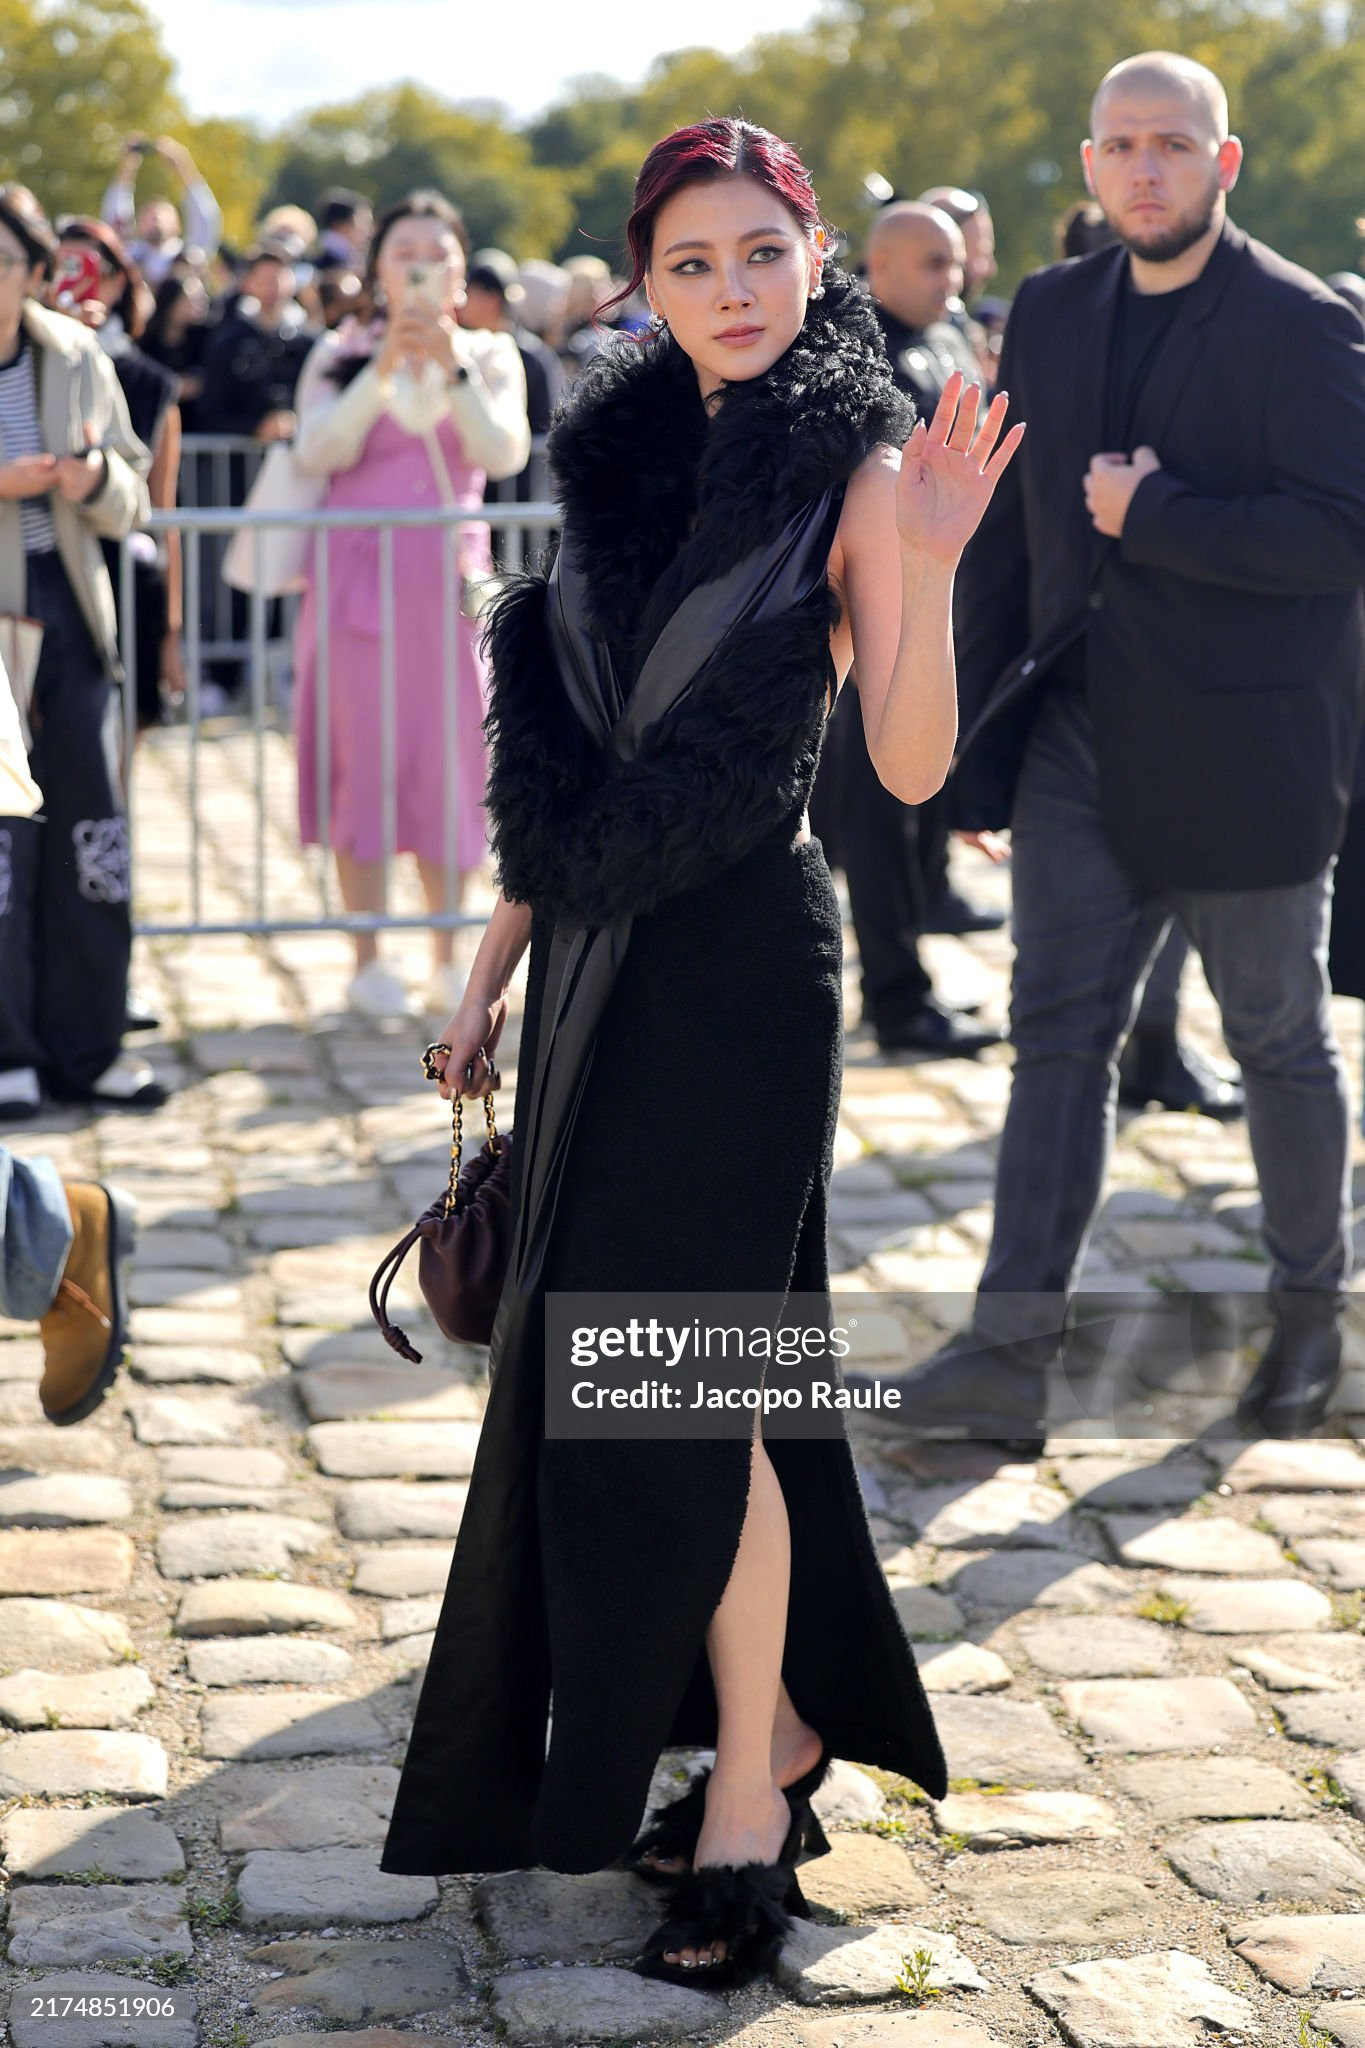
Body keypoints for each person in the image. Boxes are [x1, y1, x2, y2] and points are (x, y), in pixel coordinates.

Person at [376, 118, 1022, 1988]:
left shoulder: (862, 464)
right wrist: (487, 973)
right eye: (691, 263)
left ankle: (747, 1796)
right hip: (595, 971)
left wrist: (935, 561)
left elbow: (911, 764)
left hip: (737, 974)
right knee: (646, 1392)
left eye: (760, 253)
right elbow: (565, 757)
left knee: (690, 1392)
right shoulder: (622, 458)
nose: (731, 290)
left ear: (814, 255)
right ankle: (777, 1728)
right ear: (645, 287)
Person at [876, 53, 1365, 1446]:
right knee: (1056, 1040)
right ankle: (1006, 1355)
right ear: (1090, 165)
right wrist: (979, 746)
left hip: (1245, 758)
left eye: (1173, 144)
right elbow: (1018, 534)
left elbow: (1343, 534)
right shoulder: (1050, 307)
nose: (1146, 168)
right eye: (1122, 145)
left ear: (1224, 161)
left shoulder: (1305, 323)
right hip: (1076, 745)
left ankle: (1311, 1328)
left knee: (1277, 1043)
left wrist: (1161, 516)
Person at [290, 192, 530, 1021]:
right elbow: (318, 448)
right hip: (355, 582)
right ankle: (366, 955)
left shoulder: (492, 355)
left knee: (452, 760)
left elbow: (503, 450)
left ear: (460, 273)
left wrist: (450, 368)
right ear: (378, 270)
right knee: (361, 756)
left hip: (448, 587)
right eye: (404, 253)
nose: (421, 266)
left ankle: (446, 951)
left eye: (437, 253)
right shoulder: (338, 353)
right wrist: (383, 366)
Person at [812, 202, 1003, 1056]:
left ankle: (911, 970)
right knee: (878, 822)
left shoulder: (944, 338)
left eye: (955, 263)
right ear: (880, 267)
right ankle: (894, 997)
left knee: (918, 809)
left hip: (935, 610)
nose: (950, 280)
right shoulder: (858, 355)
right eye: (932, 263)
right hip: (872, 631)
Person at [0, 184, 164, 1118]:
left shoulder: (73, 353)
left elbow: (133, 490)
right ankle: (8, 1052)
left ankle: (90, 1045)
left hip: (68, 609)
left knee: (91, 831)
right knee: (4, 841)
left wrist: (92, 477)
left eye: (4, 263)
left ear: (33, 271)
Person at [54, 219, 184, 732]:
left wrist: (172, 634)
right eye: (61, 265)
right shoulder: (18, 364)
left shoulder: (152, 383)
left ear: (118, 281)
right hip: (40, 578)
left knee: (127, 737)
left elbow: (163, 513)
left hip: (126, 578)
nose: (78, 279)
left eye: (93, 267)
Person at [194, 241, 316, 708]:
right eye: (263, 276)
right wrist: (254, 429)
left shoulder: (309, 341)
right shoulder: (227, 340)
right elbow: (209, 413)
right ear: (247, 282)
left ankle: (289, 670)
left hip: (296, 480)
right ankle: (222, 679)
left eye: (280, 275)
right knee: (234, 575)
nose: (272, 286)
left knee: (293, 570)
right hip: (238, 481)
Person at [461, 250, 563, 567]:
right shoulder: (457, 351)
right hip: (474, 493)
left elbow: (550, 425)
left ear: (491, 297)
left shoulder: (533, 357)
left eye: (469, 291)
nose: (461, 300)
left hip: (522, 496)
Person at [101, 136, 222, 286]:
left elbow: (206, 218)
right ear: (138, 226)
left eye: (162, 214)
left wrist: (183, 165)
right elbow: (116, 219)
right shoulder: (129, 256)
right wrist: (128, 166)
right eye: (147, 215)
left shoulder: (191, 255)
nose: (155, 217)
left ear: (178, 226)